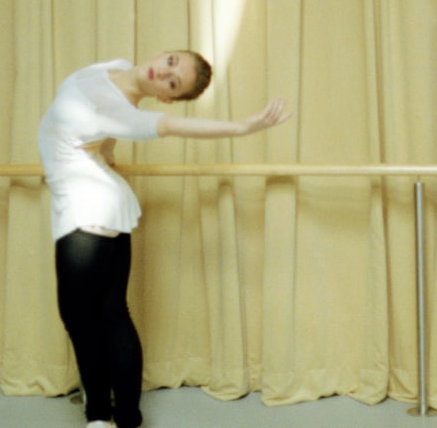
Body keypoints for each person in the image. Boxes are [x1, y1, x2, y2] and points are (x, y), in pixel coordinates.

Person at [37, 51, 292, 428]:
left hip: (85, 207)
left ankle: (98, 417)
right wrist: (91, 152)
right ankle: (125, 417)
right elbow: (100, 143)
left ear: (168, 97)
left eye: (172, 82)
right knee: (110, 312)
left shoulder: (126, 115)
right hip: (102, 201)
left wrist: (241, 128)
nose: (164, 71)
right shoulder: (115, 66)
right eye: (171, 61)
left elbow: (172, 127)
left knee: (79, 318)